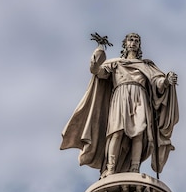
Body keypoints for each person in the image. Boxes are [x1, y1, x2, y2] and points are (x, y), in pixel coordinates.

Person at [61, 33, 179, 178]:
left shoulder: (146, 66)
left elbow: (157, 83)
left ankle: (135, 168)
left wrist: (166, 80)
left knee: (139, 132)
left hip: (140, 96)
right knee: (116, 132)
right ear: (125, 44)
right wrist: (99, 53)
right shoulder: (116, 63)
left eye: (137, 40)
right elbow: (98, 72)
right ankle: (110, 168)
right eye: (131, 40)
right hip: (120, 96)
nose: (134, 42)